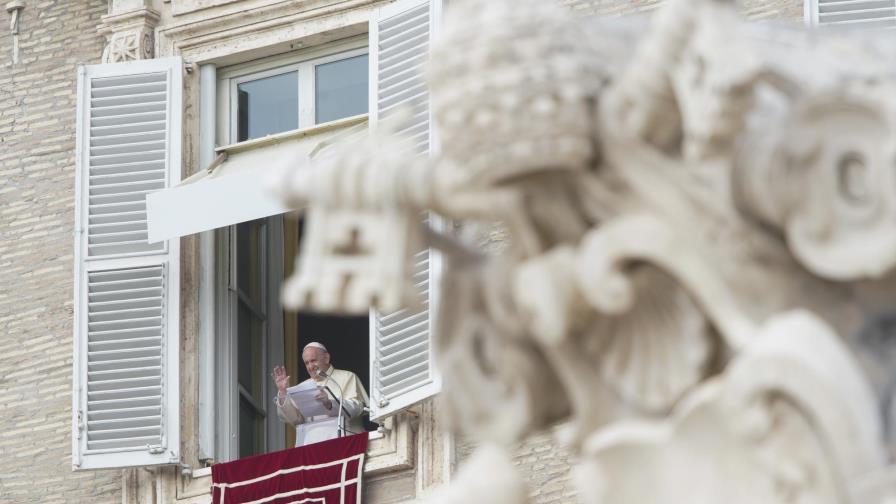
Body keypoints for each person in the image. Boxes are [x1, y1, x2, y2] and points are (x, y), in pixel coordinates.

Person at [271, 342, 369, 446]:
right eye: (307, 363)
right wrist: (283, 392)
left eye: (313, 361)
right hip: (311, 445)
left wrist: (330, 404)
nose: (310, 366)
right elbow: (295, 419)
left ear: (326, 358)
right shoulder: (302, 387)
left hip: (345, 442)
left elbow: (357, 408)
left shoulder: (347, 377)